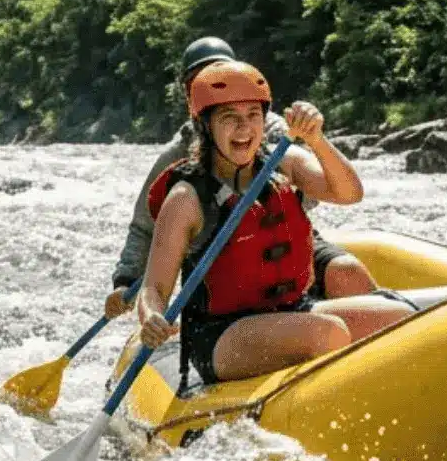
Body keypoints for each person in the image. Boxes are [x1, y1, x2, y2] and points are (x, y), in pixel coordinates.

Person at [130, 62, 412, 384]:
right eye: (229, 117)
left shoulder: (284, 164)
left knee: (401, 319)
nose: (244, 128)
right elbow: (154, 288)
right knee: (327, 333)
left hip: (292, 310)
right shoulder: (186, 198)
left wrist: (316, 139)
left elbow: (349, 193)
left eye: (253, 115)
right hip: (222, 334)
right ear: (205, 126)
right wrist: (151, 316)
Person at [107, 36, 377, 306]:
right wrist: (126, 280)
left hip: (283, 238)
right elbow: (145, 227)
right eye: (201, 81)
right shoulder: (175, 157)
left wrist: (313, 140)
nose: (244, 127)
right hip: (222, 258)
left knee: (347, 273)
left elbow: (331, 190)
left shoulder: (274, 132)